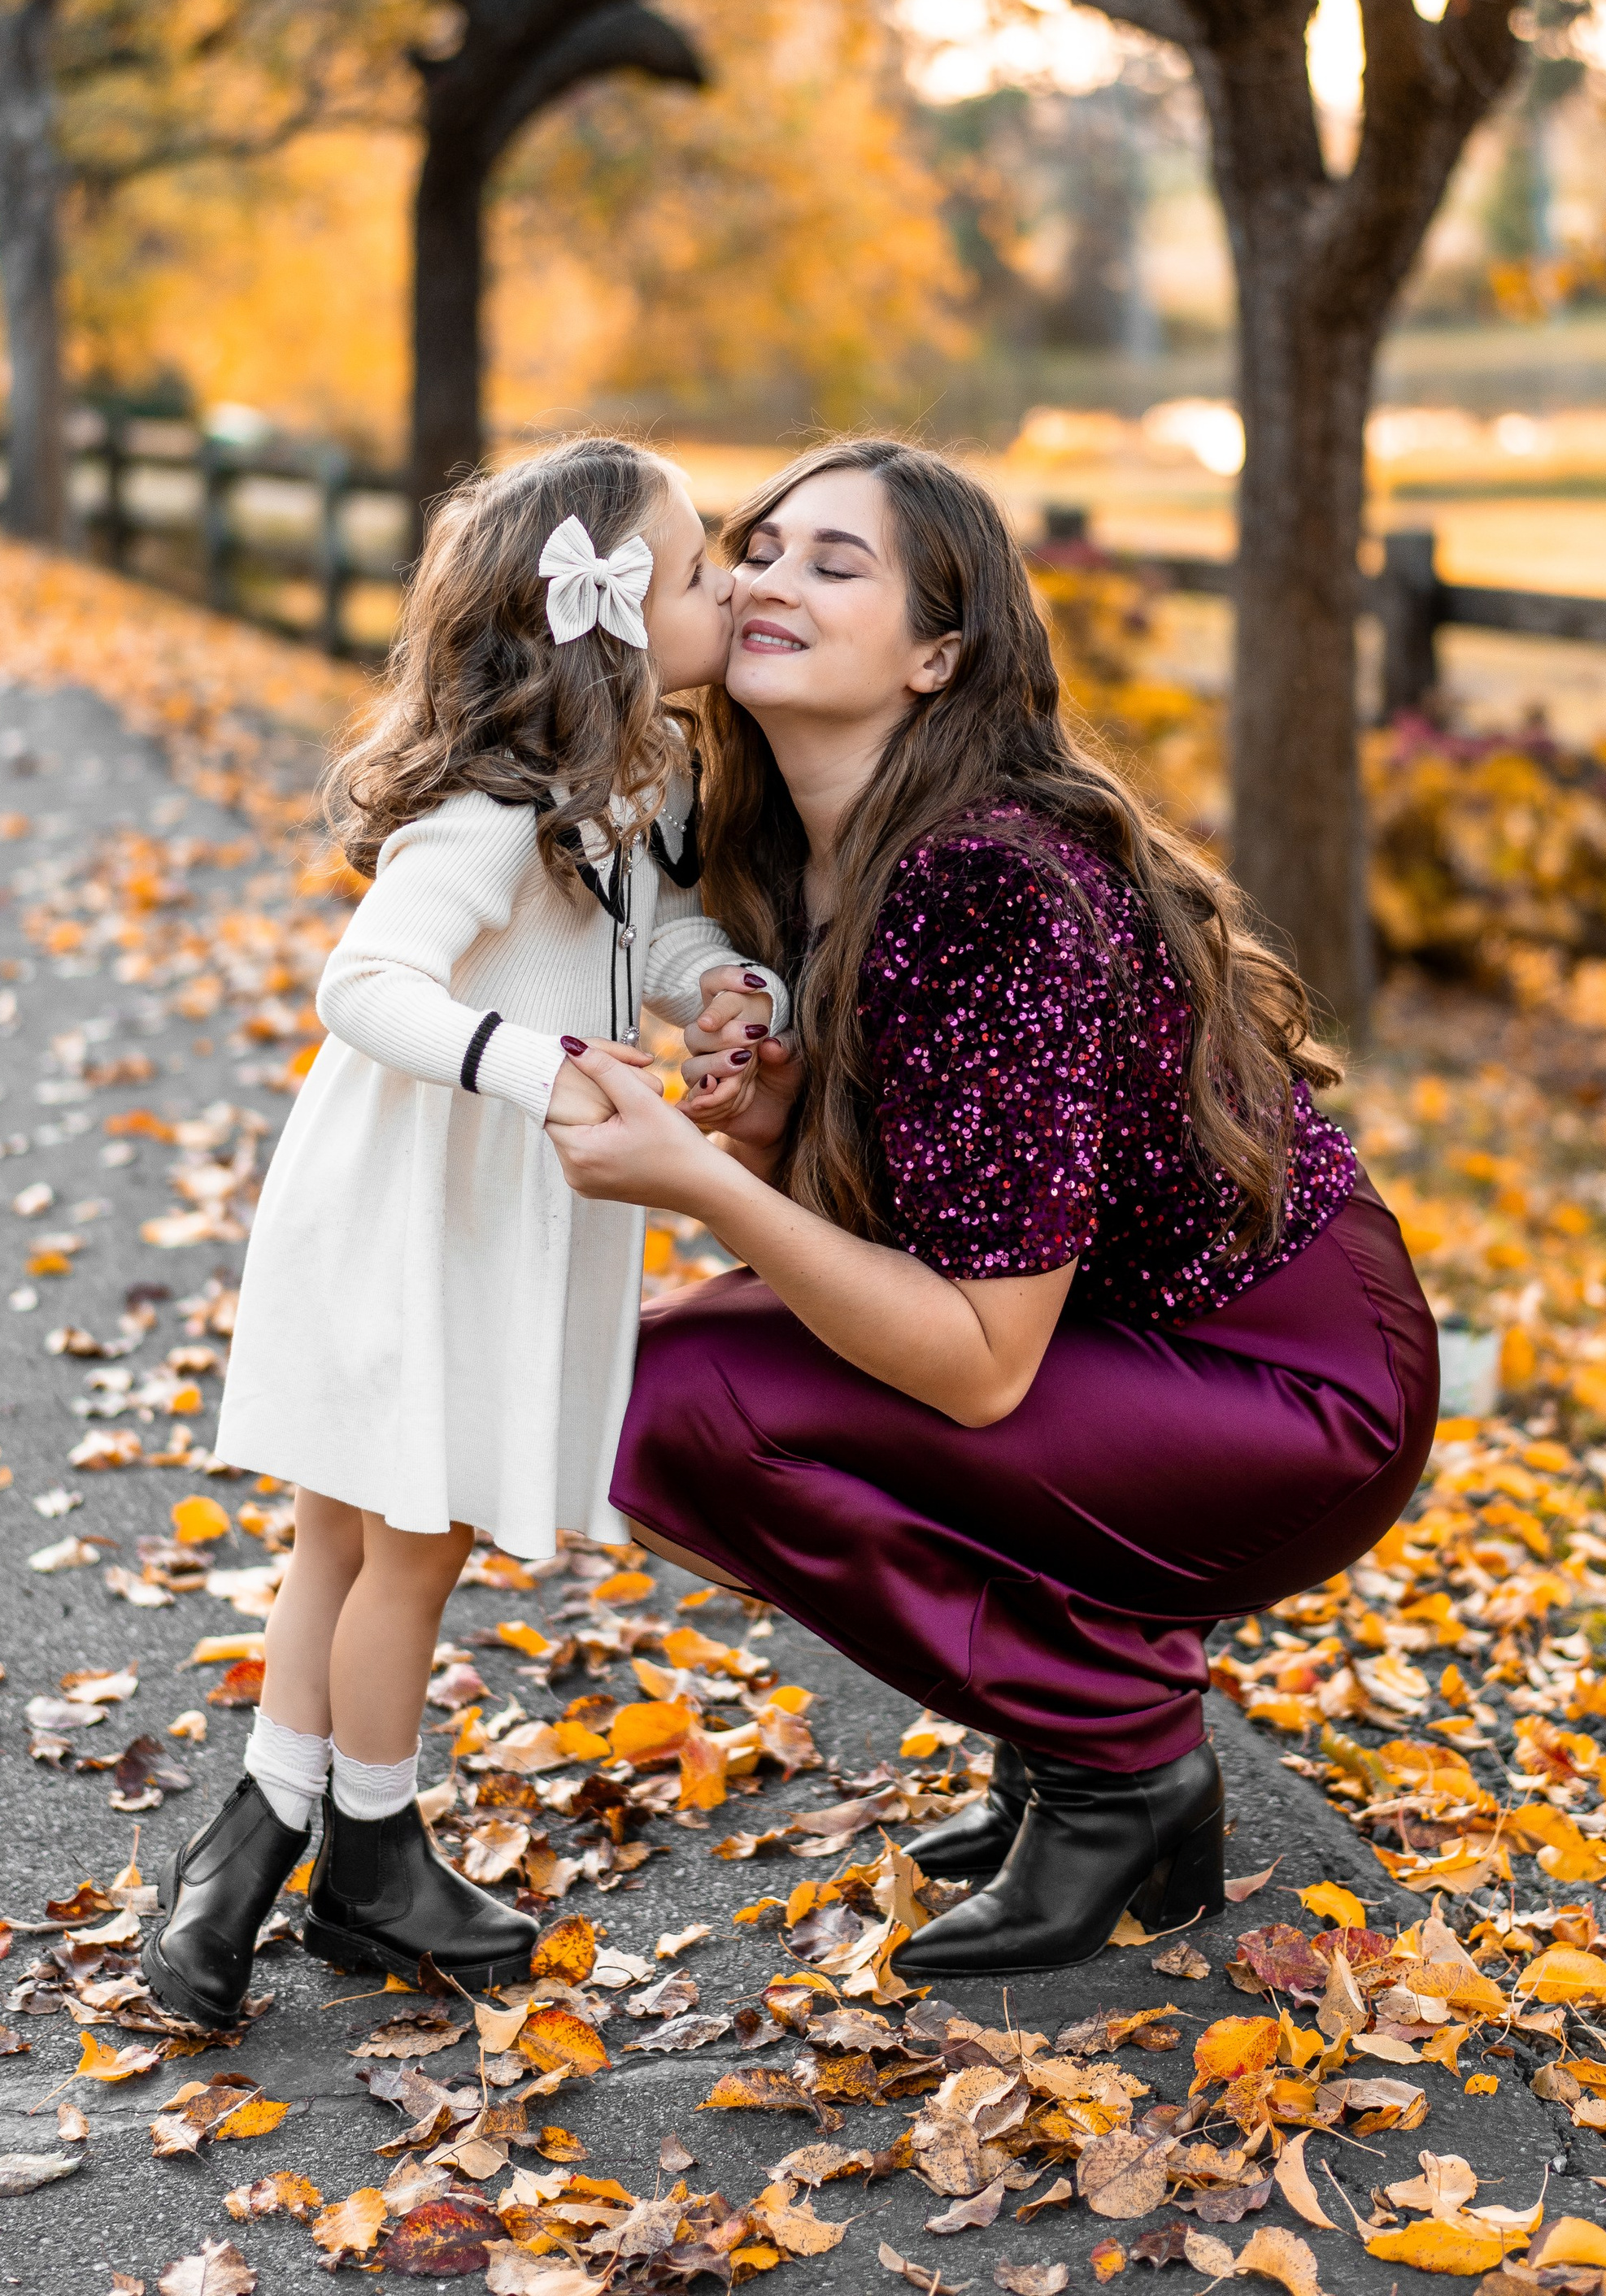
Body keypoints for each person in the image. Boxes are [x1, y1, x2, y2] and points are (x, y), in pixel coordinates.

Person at [548, 438, 1438, 1979]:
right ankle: (1066, 1741)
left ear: (938, 652)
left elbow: (976, 1361)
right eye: (756, 551)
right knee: (681, 1364)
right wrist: (765, 1133)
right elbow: (949, 1216)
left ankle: (1116, 1762)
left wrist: (699, 1179)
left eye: (839, 565)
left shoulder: (987, 883)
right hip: (1151, 1336)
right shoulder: (799, 859)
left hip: (1291, 1389)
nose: (769, 580)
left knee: (678, 1400)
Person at [141, 437, 786, 2028]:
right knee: (394, 1551)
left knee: (353, 1544)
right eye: (701, 571)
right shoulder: (497, 808)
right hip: (420, 1205)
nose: (727, 593)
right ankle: (353, 1847)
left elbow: (647, 922)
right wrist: (539, 1065)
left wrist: (715, 981)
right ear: (615, 619)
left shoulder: (638, 782)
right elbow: (362, 985)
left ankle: (262, 1845)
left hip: (480, 1202)